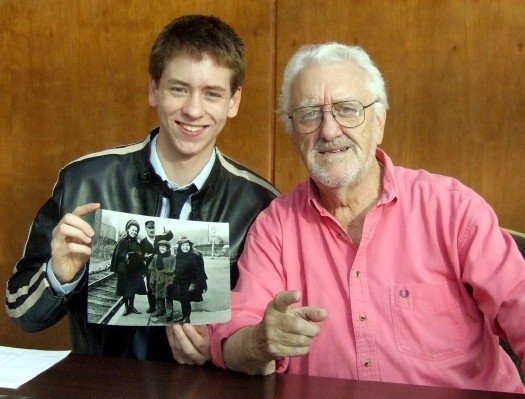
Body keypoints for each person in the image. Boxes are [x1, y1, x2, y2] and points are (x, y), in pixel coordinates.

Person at [207, 43, 525, 393]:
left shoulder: (453, 211)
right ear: (294, 134)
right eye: (309, 114)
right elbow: (233, 337)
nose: (328, 131)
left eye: (347, 109)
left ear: (379, 122)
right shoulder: (275, 228)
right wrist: (257, 342)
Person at [5, 15, 279, 362]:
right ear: (154, 89)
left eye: (212, 94)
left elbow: (264, 333)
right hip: (100, 389)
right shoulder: (85, 180)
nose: (194, 110)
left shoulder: (261, 204)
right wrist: (58, 276)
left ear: (233, 101)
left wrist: (223, 348)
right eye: (179, 88)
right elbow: (22, 314)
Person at [110, 219, 147, 316]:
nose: (134, 232)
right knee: (125, 289)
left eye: (136, 231)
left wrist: (139, 256)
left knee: (133, 289)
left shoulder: (136, 242)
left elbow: (140, 254)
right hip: (124, 270)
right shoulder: (123, 241)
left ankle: (132, 306)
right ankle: (126, 307)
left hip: (134, 270)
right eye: (132, 230)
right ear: (128, 229)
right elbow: (118, 254)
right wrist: (126, 255)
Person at [170, 236, 208, 324]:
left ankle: (187, 317)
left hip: (190, 283)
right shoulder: (179, 255)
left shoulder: (194, 256)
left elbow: (199, 272)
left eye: (187, 245)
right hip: (180, 282)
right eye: (183, 245)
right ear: (180, 246)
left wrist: (193, 284)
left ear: (190, 246)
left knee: (187, 300)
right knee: (182, 300)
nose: (185, 247)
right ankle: (183, 315)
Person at [140, 220, 174, 313]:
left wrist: (167, 229)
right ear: (146, 229)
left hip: (162, 267)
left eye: (153, 228)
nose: (151, 230)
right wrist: (144, 256)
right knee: (150, 286)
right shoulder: (143, 242)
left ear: (155, 228)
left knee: (162, 287)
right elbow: (140, 254)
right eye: (149, 228)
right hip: (150, 269)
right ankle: (152, 306)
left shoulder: (160, 237)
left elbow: (170, 235)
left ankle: (162, 308)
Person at [148, 240, 177, 322]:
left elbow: (174, 271)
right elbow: (152, 269)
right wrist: (152, 280)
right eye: (160, 246)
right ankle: (160, 310)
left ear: (167, 248)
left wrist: (171, 281)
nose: (161, 248)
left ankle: (169, 313)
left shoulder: (172, 258)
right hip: (158, 279)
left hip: (167, 280)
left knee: (168, 297)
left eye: (164, 247)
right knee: (158, 296)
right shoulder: (156, 257)